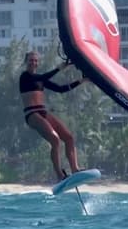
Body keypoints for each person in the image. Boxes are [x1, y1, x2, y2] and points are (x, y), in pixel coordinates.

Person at [19, 51, 86, 182]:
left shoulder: (41, 80)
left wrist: (81, 81)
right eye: (30, 60)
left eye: (35, 60)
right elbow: (43, 77)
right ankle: (60, 175)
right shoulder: (25, 77)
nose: (33, 62)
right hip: (32, 114)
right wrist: (59, 68)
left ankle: (75, 169)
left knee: (69, 137)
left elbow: (61, 89)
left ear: (38, 63)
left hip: (43, 112)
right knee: (55, 139)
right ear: (26, 62)